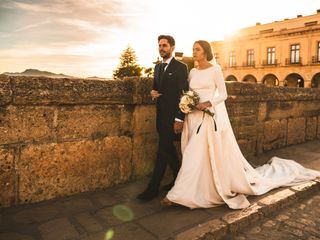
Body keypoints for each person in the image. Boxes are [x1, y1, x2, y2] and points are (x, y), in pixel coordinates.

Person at [162, 40, 320, 209]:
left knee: (194, 151)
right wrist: (187, 103)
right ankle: (197, 187)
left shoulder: (215, 69)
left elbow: (223, 94)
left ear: (205, 52)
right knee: (196, 153)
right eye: (193, 49)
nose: (194, 52)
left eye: (197, 49)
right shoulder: (192, 72)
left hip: (207, 118)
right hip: (193, 116)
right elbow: (189, 92)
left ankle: (179, 194)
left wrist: (208, 103)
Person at [137, 35, 189, 201]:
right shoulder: (157, 67)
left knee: (162, 151)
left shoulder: (181, 67)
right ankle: (178, 177)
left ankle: (153, 188)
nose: (161, 48)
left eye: (164, 45)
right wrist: (152, 93)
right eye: (159, 45)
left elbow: (184, 95)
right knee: (168, 150)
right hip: (160, 116)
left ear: (172, 47)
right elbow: (155, 89)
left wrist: (179, 119)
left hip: (173, 117)